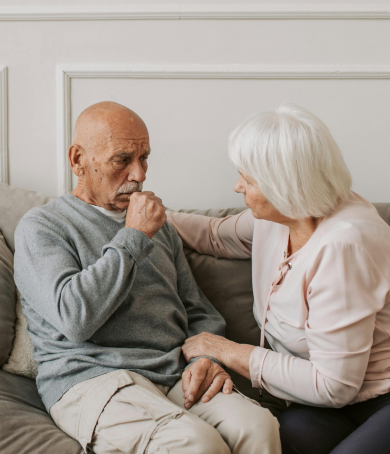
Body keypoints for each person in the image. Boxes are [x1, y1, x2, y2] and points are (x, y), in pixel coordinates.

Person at [13, 101, 280, 454]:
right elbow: (75, 319)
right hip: (92, 380)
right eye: (122, 160)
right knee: (195, 443)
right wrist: (134, 236)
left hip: (172, 372)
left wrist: (206, 359)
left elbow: (197, 310)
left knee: (258, 426)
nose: (139, 174)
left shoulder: (159, 226)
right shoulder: (43, 226)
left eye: (145, 158)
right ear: (78, 160)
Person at [167, 104, 390, 454]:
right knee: (271, 442)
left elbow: (333, 386)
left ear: (284, 186)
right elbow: (212, 235)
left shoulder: (343, 246)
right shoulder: (278, 218)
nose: (237, 185)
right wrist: (143, 215)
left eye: (249, 180)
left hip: (377, 398)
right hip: (324, 405)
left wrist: (226, 350)